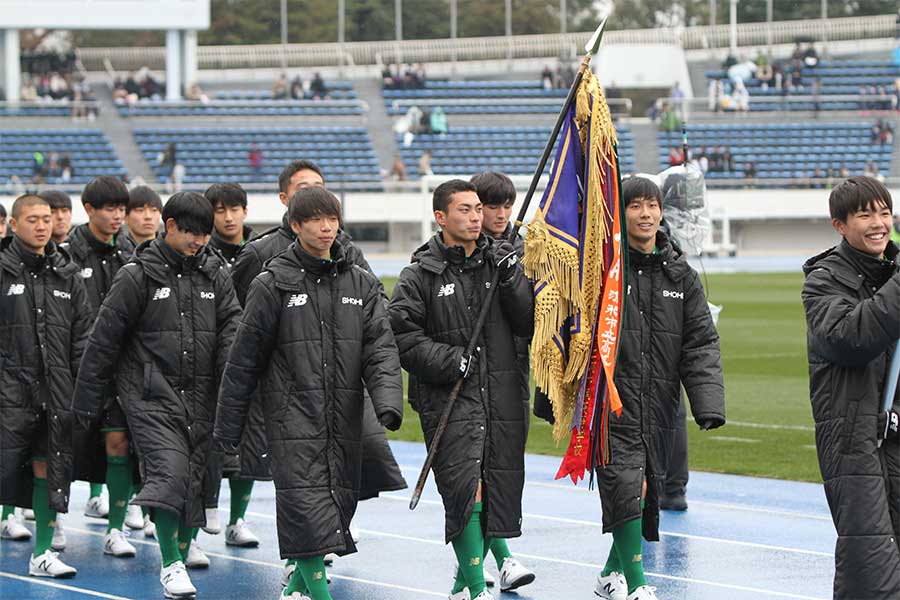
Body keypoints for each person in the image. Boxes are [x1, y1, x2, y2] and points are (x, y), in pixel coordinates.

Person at [215, 186, 403, 600]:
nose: (326, 228)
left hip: (345, 416)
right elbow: (244, 360)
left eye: (332, 219)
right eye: (316, 220)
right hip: (291, 418)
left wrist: (388, 401)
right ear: (295, 226)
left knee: (338, 504)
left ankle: (295, 588)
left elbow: (381, 348)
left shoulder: (361, 282)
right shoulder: (272, 283)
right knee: (307, 508)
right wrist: (228, 428)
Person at [72, 192, 241, 598]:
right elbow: (104, 340)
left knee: (195, 483)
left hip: (203, 396)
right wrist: (85, 404)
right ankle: (170, 563)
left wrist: (233, 376)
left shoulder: (214, 272)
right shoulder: (137, 275)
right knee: (169, 474)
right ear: (169, 227)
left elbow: (233, 324)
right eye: (191, 234)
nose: (199, 241)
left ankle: (180, 552)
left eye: (205, 234)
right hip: (151, 396)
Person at [389, 180, 534, 600]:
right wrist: (450, 361)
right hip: (448, 397)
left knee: (496, 486)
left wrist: (511, 279)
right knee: (466, 487)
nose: (475, 218)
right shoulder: (420, 273)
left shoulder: (505, 261)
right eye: (465, 210)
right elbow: (402, 336)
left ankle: (461, 584)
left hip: (503, 393)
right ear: (441, 217)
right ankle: (475, 589)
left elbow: (528, 323)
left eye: (478, 210)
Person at [593, 177, 724, 600]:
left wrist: (707, 404)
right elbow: (574, 335)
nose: (646, 214)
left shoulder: (680, 273)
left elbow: (700, 342)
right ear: (621, 212)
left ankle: (609, 574)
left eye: (652, 205)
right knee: (626, 487)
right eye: (636, 206)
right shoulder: (603, 270)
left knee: (646, 488)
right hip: (612, 401)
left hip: (661, 403)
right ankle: (637, 584)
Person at [802, 177, 900, 599]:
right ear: (839, 225)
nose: (879, 224)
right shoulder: (823, 281)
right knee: (871, 567)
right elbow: (851, 338)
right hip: (853, 438)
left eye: (884, 213)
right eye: (865, 215)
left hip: (894, 433)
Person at [0, 194, 92, 578]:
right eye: (32, 219)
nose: (41, 225)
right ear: (13, 225)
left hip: (55, 393)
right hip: (8, 392)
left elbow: (83, 335)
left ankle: (41, 553)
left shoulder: (67, 273)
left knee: (47, 469)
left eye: (46, 218)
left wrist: (79, 389)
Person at [468, 171, 536, 592]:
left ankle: (493, 557)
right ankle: (491, 562)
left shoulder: (525, 249)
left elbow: (529, 317)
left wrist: (512, 270)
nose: (499, 214)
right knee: (473, 474)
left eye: (506, 205)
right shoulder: (462, 250)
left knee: (506, 469)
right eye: (490, 205)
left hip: (512, 372)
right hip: (470, 375)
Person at [63, 176, 136, 553]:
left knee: (118, 444)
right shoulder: (68, 255)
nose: (117, 216)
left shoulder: (130, 253)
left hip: (118, 371)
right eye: (109, 209)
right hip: (74, 370)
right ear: (89, 209)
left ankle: (116, 528)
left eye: (121, 209)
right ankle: (52, 521)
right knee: (56, 448)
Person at [206, 182, 255, 266]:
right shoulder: (202, 252)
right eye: (220, 211)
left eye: (234, 209)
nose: (228, 218)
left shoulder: (261, 247)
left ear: (245, 212)